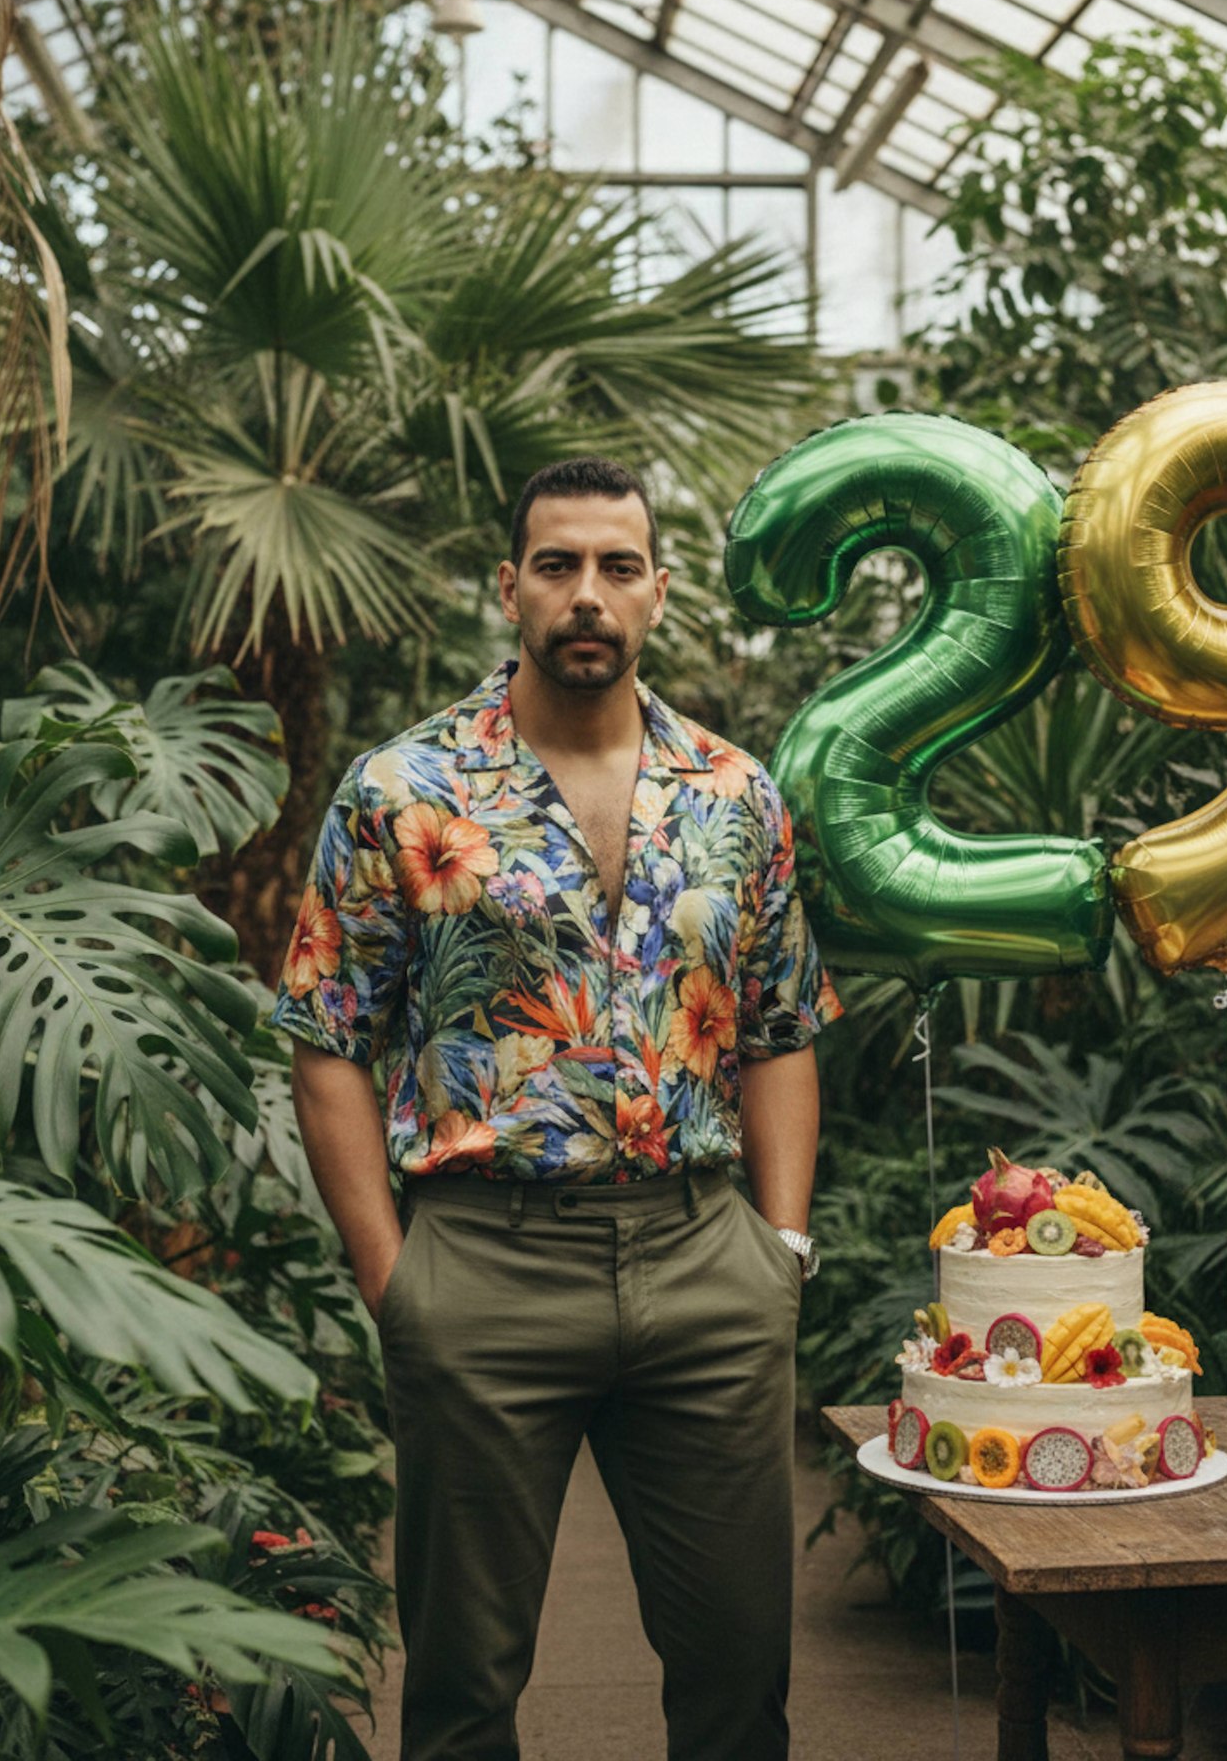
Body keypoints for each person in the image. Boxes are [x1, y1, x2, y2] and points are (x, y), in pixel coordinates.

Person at [273, 455, 841, 1761]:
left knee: (740, 1678)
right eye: (559, 565)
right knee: (464, 1689)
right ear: (510, 586)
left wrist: (783, 1248)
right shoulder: (402, 791)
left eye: (617, 567)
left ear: (658, 592)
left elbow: (781, 1029)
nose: (588, 594)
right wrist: (393, 1283)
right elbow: (327, 1038)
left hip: (706, 1262)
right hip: (484, 1261)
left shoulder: (733, 796)